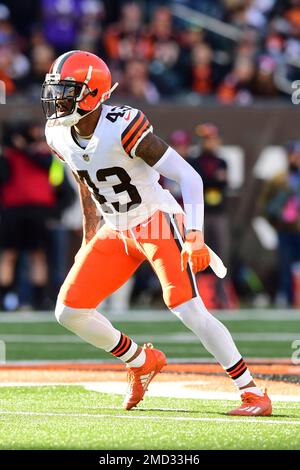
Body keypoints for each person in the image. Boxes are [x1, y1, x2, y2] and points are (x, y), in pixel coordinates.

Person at [41, 50, 272, 415]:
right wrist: (90, 233)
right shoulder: (58, 133)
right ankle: (139, 360)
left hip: (155, 220)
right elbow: (83, 178)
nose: (57, 99)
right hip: (115, 229)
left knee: (187, 308)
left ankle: (252, 392)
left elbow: (189, 177)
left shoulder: (123, 126)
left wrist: (194, 233)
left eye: (66, 90)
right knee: (69, 311)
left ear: (92, 93)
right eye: (56, 90)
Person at [258, 140, 300, 306]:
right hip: (286, 229)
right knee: (285, 267)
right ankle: (287, 299)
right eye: (292, 155)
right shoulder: (278, 179)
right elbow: (264, 205)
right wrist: (275, 221)